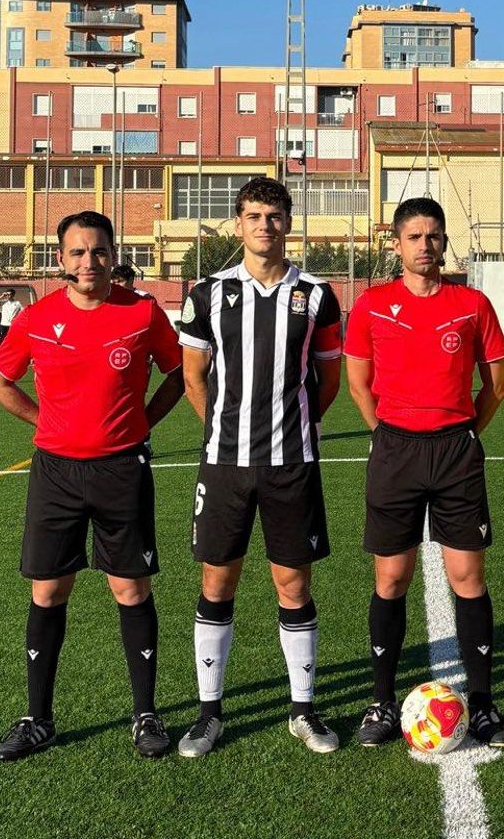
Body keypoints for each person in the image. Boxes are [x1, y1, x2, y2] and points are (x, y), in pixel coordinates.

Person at [0, 210, 185, 762]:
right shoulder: (36, 317)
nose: (88, 262)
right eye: (77, 252)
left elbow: (179, 373)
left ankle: (145, 714)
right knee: (48, 591)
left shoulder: (143, 312)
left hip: (122, 469)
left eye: (98, 251)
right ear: (60, 260)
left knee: (130, 590)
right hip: (56, 472)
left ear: (113, 254)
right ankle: (37, 718)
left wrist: (143, 421)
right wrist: (43, 421)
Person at [175, 177, 344, 757]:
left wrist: (291, 427)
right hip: (225, 463)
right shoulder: (206, 294)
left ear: (288, 222)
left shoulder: (317, 294)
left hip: (291, 463)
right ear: (238, 223)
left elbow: (329, 381)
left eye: (274, 216)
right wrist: (223, 427)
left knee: (292, 584)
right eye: (253, 216)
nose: (264, 226)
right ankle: (208, 714)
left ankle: (304, 710)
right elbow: (193, 377)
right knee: (216, 582)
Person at [343, 197, 504, 749]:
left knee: (468, 578)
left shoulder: (471, 304)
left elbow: (498, 383)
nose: (425, 246)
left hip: (455, 453)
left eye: (434, 236)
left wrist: (463, 431)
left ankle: (484, 704)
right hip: (395, 452)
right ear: (396, 244)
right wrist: (388, 435)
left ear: (444, 242)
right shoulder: (371, 306)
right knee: (390, 579)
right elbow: (359, 385)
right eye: (414, 236)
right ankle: (381, 700)